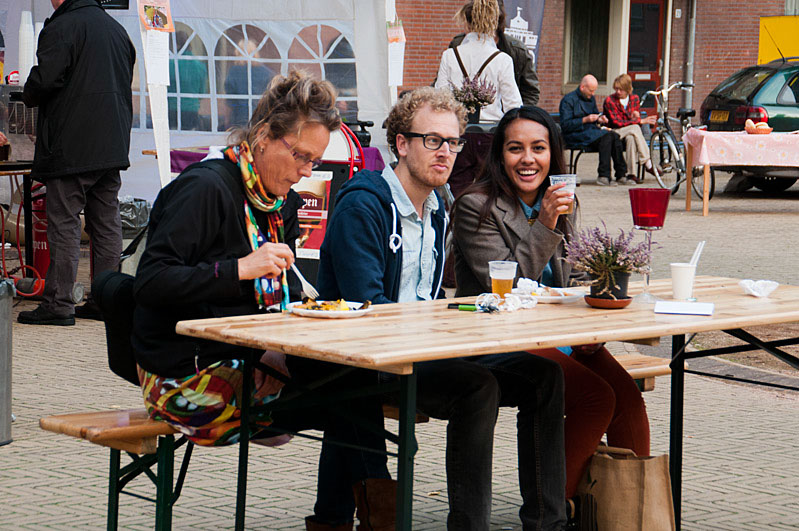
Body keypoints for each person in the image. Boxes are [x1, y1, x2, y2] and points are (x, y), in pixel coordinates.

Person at [132, 71, 392, 530]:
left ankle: (350, 519)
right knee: (351, 395)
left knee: (354, 384)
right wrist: (239, 269)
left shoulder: (278, 205)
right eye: (302, 156)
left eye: (314, 160)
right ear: (264, 135)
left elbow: (268, 305)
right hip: (185, 379)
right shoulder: (206, 188)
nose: (307, 172)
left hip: (244, 361)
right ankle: (374, 518)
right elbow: (150, 282)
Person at [318, 87, 567, 530]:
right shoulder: (364, 205)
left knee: (544, 376)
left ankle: (547, 522)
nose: (446, 153)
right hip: (369, 359)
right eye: (433, 140)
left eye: (453, 142)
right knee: (478, 387)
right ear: (401, 144)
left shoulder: (436, 207)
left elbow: (431, 300)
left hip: (422, 351)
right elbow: (369, 316)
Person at [451, 105, 650, 519]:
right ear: (499, 156)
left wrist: (591, 320)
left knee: (627, 397)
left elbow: (574, 277)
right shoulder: (475, 206)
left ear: (553, 155)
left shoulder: (562, 202)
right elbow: (504, 286)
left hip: (557, 333)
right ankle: (558, 513)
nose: (528, 159)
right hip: (498, 337)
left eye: (539, 148)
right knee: (596, 397)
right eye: (515, 148)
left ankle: (635, 516)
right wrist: (544, 221)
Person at [18, 0, 135, 325]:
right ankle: (105, 302)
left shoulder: (61, 26)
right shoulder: (117, 30)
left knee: (65, 223)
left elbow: (45, 80)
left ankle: (59, 304)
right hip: (111, 144)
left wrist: (27, 92)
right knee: (106, 223)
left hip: (73, 145)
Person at [435, 0, 522, 123]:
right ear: (493, 23)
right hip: (490, 130)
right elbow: (513, 106)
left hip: (456, 129)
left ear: (467, 23)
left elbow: (440, 97)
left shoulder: (449, 55)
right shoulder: (503, 59)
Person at [448, 0, 540, 106]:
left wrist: (518, 118)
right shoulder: (456, 45)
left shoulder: (516, 50)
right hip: (459, 116)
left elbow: (530, 92)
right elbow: (442, 85)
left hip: (498, 119)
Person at [559, 74, 628, 186]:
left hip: (590, 132)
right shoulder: (568, 100)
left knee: (613, 135)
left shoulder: (590, 98)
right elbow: (566, 125)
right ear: (582, 87)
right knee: (607, 137)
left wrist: (600, 119)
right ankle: (604, 175)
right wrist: (585, 120)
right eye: (591, 91)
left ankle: (621, 174)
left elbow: (595, 115)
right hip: (574, 134)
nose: (593, 94)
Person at [603, 73, 661, 182]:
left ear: (627, 89)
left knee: (631, 138)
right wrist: (640, 121)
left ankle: (631, 174)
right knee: (634, 128)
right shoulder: (610, 101)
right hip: (613, 132)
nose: (618, 92)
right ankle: (647, 163)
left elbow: (632, 120)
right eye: (616, 89)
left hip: (629, 132)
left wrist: (635, 116)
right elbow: (617, 122)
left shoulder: (634, 99)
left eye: (621, 89)